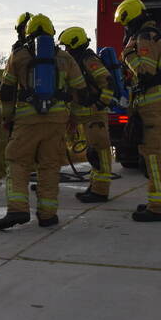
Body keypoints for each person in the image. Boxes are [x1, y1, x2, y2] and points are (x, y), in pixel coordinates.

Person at [0, 13, 87, 230]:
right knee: (50, 165)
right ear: (52, 33)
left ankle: (18, 210)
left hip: (27, 120)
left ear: (29, 34)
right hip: (57, 120)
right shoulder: (65, 58)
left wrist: (7, 118)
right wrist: (75, 117)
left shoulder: (19, 56)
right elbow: (80, 90)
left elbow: (6, 91)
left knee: (17, 161)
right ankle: (48, 215)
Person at [115, 0, 161, 222]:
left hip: (152, 103)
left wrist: (128, 55)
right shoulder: (151, 33)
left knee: (153, 156)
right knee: (159, 154)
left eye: (125, 23)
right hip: (153, 102)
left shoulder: (145, 36)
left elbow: (146, 70)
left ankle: (159, 207)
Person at [57, 26, 115, 203]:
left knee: (100, 153)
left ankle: (100, 192)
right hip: (86, 116)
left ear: (75, 43)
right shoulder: (78, 61)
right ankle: (95, 187)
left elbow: (107, 81)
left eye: (68, 46)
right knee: (93, 153)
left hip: (95, 116)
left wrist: (100, 103)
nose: (66, 50)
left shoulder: (89, 60)